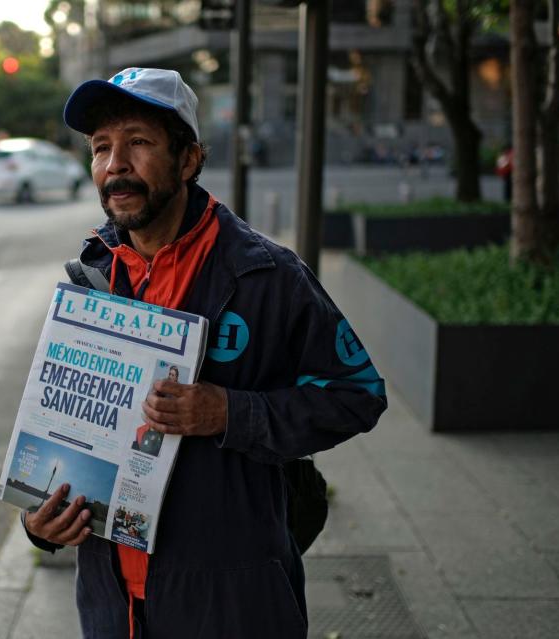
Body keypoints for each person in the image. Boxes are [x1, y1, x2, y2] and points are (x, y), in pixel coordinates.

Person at [21, 67, 387, 638]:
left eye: (138, 142)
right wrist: (43, 519)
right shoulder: (91, 276)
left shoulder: (269, 276)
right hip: (113, 607)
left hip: (233, 604)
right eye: (101, 148)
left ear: (189, 160)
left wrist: (229, 412)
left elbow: (358, 395)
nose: (115, 164)